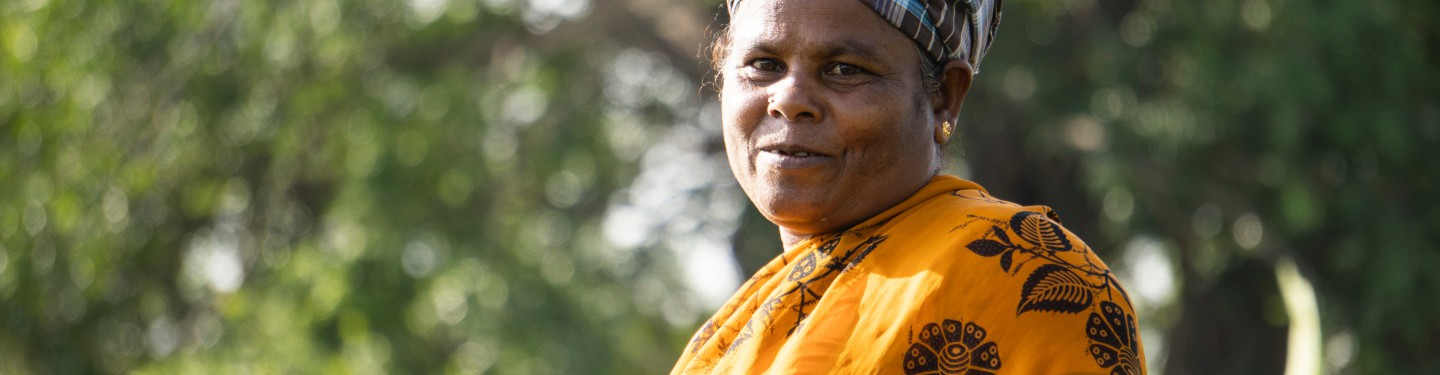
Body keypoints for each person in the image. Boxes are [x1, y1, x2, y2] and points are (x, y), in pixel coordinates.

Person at [671, 0, 1147, 373]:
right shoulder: (735, 334)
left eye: (844, 69)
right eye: (764, 64)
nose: (790, 100)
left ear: (944, 97)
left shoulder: (1021, 277)